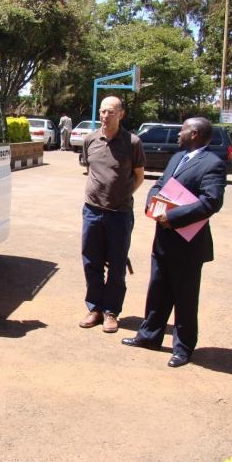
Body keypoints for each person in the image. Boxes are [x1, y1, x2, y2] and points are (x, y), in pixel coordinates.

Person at [121, 117, 226, 367]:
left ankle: (183, 348)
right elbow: (158, 184)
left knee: (185, 297)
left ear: (196, 134)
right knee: (157, 289)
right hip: (163, 239)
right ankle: (149, 336)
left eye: (183, 130)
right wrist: (152, 203)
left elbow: (211, 202)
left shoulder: (213, 164)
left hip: (188, 243)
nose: (179, 134)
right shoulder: (178, 158)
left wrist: (173, 216)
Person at [79, 97, 145, 333]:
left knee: (117, 265)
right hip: (92, 212)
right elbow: (89, 169)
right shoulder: (89, 140)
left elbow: (139, 176)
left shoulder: (133, 142)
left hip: (119, 214)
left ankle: (111, 312)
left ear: (121, 115)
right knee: (91, 261)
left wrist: (124, 195)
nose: (105, 116)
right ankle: (94, 308)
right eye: (102, 111)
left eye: (111, 112)